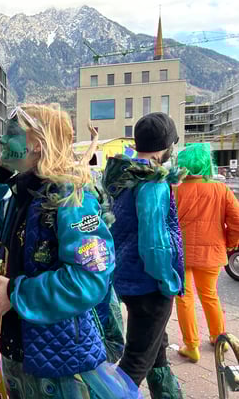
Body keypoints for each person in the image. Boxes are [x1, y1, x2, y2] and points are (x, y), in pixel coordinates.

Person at [0, 104, 140, 398]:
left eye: (10, 134)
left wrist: (15, 292)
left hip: (59, 359)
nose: (1, 140)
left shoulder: (72, 198)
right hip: (20, 348)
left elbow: (89, 280)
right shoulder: (23, 193)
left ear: (37, 143)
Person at [103, 112, 185, 398]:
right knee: (136, 362)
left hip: (128, 278)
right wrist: (168, 281)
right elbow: (154, 243)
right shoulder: (153, 182)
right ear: (167, 147)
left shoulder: (124, 177)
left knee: (156, 350)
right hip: (150, 284)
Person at [174, 143, 239, 362]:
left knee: (184, 298)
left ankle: (191, 346)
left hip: (180, 253)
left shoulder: (174, 190)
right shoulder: (221, 189)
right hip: (211, 252)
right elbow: (237, 221)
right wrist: (230, 243)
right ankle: (219, 338)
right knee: (210, 295)